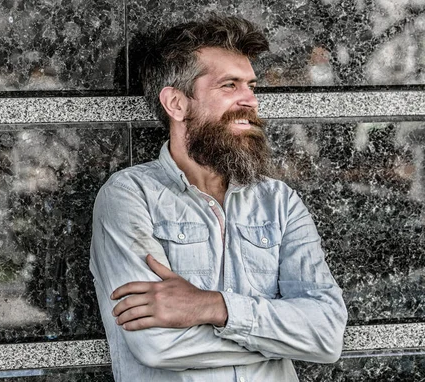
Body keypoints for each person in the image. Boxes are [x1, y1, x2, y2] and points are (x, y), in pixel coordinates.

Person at [89, 15, 347, 382]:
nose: (250, 100)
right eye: (230, 85)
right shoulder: (129, 197)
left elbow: (327, 334)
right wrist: (283, 334)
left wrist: (213, 307)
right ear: (176, 104)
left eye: (251, 86)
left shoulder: (279, 202)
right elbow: (158, 344)